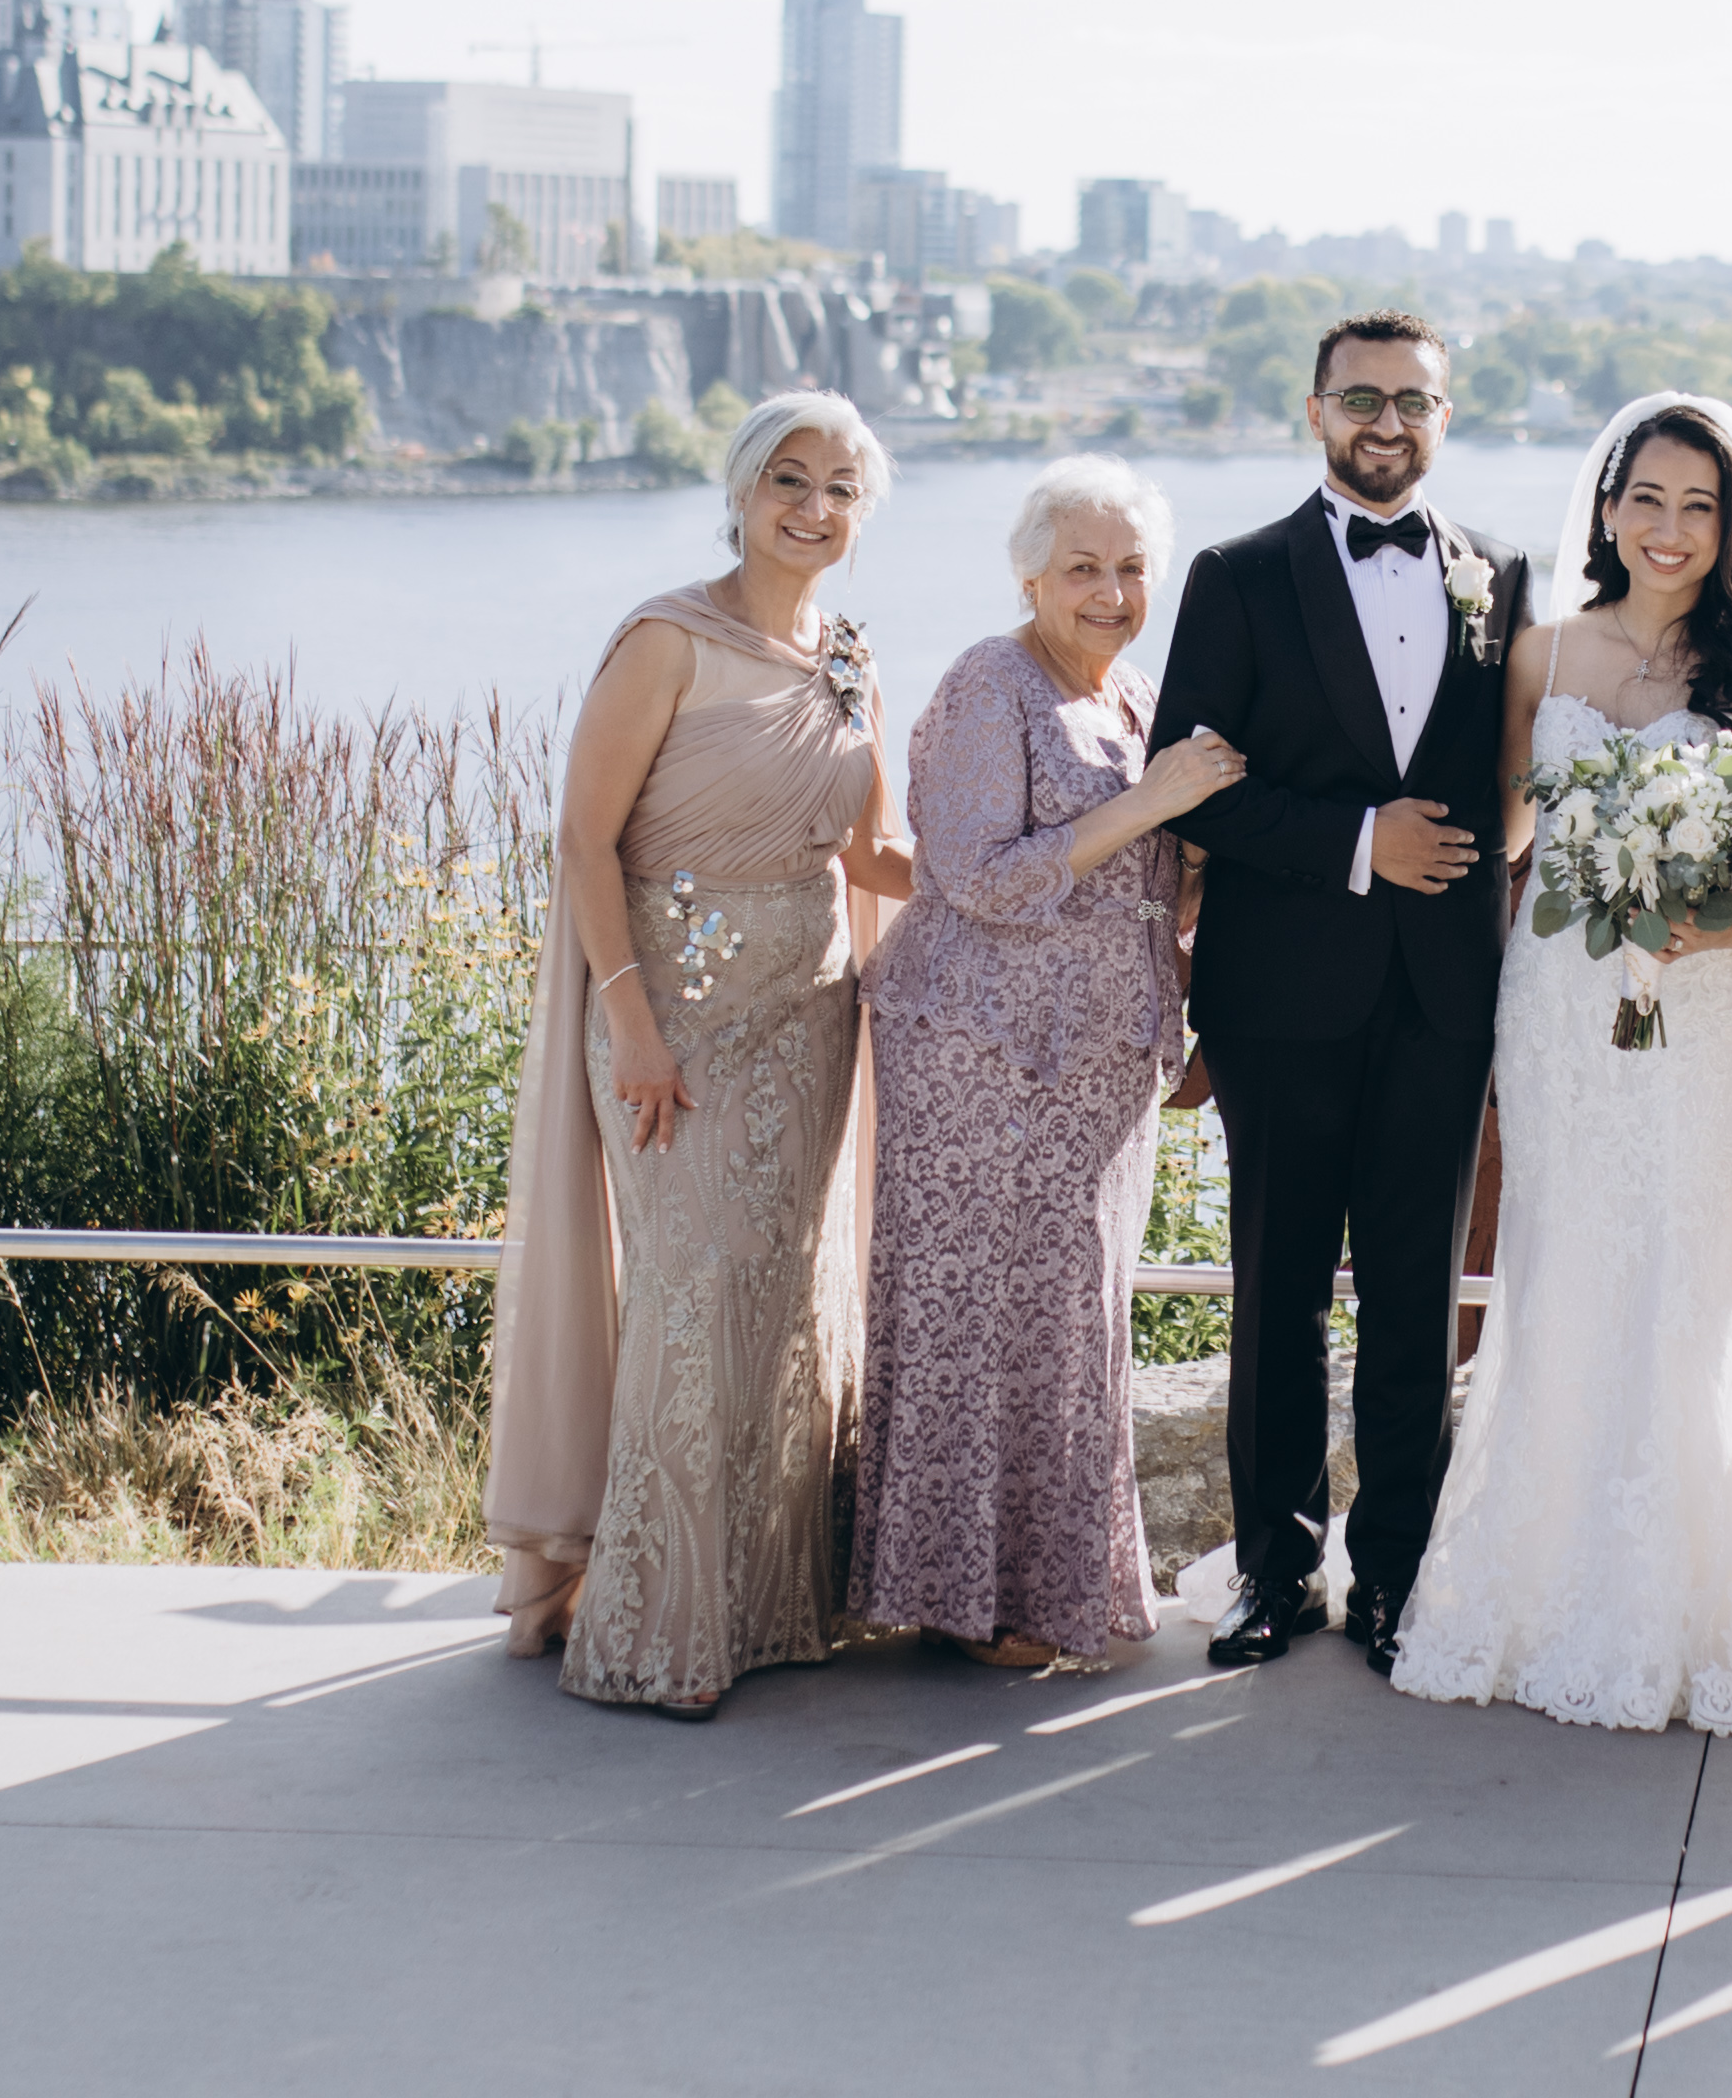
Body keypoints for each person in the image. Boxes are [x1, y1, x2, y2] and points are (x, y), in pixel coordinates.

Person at [1387, 392, 1732, 1732]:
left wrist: (1691, 919)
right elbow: (1503, 835)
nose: (1669, 527)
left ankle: (1677, 1596)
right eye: (1647, 497)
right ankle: (1537, 1578)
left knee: (1690, 1275)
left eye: (1699, 506)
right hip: (1561, 1005)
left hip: (1708, 1013)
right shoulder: (1539, 656)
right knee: (1567, 1259)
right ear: (1606, 509)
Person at [482, 390, 912, 1717]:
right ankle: (657, 1626)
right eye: (791, 479)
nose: (815, 508)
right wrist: (632, 1025)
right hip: (675, 1029)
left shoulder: (852, 657)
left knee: (788, 1308)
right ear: (739, 491)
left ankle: (771, 1611)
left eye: (842, 489)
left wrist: (1057, 867)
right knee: (691, 1298)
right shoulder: (666, 639)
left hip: (813, 1025)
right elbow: (583, 840)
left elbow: (872, 859)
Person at [1149, 311, 1532, 1675]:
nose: (1387, 422)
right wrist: (1363, 843)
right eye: (1361, 398)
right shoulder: (1237, 576)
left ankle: (1397, 1577)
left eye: (1413, 401)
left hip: (1443, 995)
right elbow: (1192, 785)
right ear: (1315, 412)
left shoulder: (1504, 576)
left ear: (1445, 416)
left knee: (1418, 1299)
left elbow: (1517, 776)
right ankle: (1274, 1569)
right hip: (1281, 994)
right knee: (1279, 1292)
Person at [849, 457, 1244, 1667]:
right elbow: (977, 876)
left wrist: (1199, 877)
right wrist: (1155, 804)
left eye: (1131, 568)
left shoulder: (1132, 699)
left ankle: (1048, 1591)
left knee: (1073, 1319)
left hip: (1102, 1062)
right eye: (1083, 568)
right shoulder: (992, 681)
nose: (1111, 592)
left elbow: (1137, 888)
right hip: (986, 1057)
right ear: (1030, 576)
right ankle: (977, 1603)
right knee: (984, 1316)